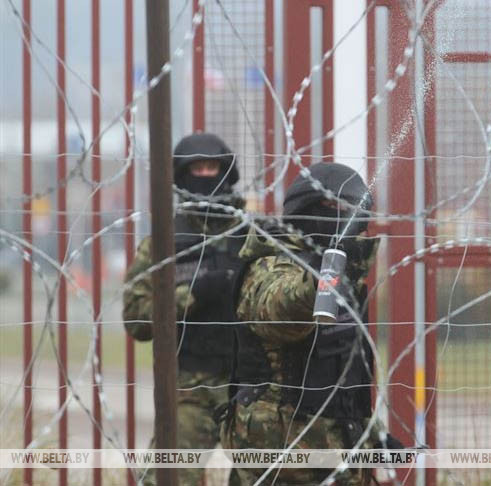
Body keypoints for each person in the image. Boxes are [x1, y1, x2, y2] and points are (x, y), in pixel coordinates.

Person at [221, 162, 381, 485]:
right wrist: (319, 283)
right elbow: (279, 308)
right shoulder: (269, 264)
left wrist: (371, 437)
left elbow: (346, 378)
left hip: (337, 458)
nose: (346, 218)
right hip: (280, 462)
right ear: (308, 206)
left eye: (350, 210)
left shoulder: (345, 276)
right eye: (336, 207)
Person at [123, 132, 245, 485]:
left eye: (212, 168)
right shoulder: (164, 242)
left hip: (250, 386)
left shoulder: (252, 235)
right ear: (181, 176)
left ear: (226, 173)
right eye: (197, 169)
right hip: (191, 389)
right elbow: (135, 318)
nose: (205, 175)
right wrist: (192, 294)